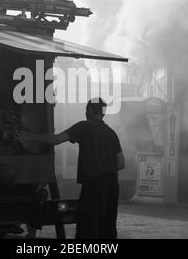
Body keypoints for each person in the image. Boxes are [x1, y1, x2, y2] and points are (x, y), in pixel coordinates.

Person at [17, 98, 125, 239]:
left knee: (87, 227)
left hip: (93, 185)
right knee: (108, 228)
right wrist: (105, 163)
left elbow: (56, 139)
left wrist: (29, 137)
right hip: (112, 186)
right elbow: (121, 163)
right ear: (103, 113)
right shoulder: (111, 133)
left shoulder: (84, 126)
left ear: (89, 111)